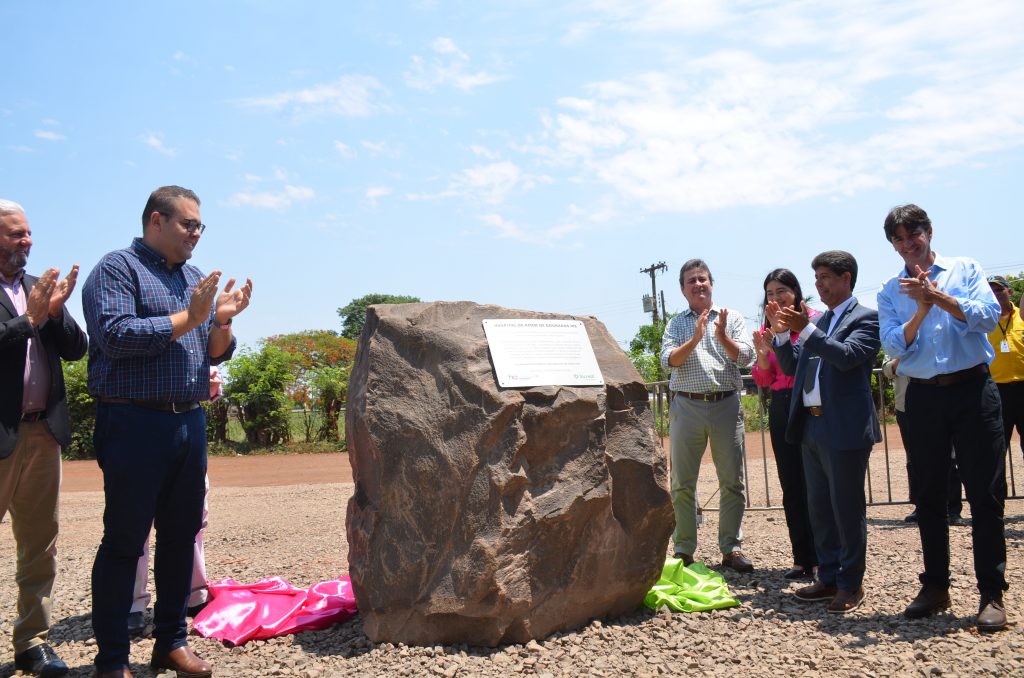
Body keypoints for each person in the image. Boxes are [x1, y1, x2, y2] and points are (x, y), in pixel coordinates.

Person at [82, 186, 252, 677]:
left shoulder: (194, 278)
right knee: (125, 541)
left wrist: (220, 321)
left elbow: (214, 351)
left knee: (181, 536)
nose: (197, 234)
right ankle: (112, 659)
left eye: (201, 227)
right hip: (133, 421)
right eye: (188, 225)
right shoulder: (117, 269)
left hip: (188, 420)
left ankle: (171, 642)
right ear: (156, 221)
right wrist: (193, 316)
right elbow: (117, 335)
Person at [877, 203, 1007, 633]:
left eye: (913, 233)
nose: (907, 242)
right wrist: (919, 311)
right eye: (898, 238)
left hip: (973, 390)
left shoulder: (965, 268)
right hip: (925, 398)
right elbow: (895, 344)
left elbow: (989, 317)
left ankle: (991, 593)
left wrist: (939, 298)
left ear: (929, 232)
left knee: (985, 495)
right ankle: (935, 587)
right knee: (929, 496)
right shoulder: (890, 290)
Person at [0, 199, 88, 677]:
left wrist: (54, 313)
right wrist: (29, 321)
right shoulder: (26, 301)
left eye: (28, 233)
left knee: (40, 545)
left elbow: (77, 349)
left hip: (42, 434)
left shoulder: (38, 289)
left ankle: (31, 642)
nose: (26, 241)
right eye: (15, 234)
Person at [769, 251, 880, 614]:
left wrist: (806, 329)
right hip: (812, 426)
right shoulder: (820, 322)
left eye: (825, 277)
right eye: (816, 278)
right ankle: (828, 576)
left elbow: (847, 356)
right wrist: (783, 335)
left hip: (844, 426)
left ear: (846, 277)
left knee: (846, 509)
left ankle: (851, 583)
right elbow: (790, 366)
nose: (818, 285)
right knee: (819, 508)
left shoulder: (866, 318)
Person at [660, 259, 755, 572]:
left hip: (726, 403)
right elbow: (668, 361)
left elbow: (745, 357)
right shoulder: (676, 324)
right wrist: (697, 337)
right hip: (687, 406)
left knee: (733, 482)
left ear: (711, 283)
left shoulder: (732, 317)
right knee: (682, 483)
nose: (698, 284)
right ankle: (684, 549)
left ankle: (731, 548)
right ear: (683, 289)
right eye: (691, 281)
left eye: (702, 279)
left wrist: (721, 335)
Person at [128, 367, 222, 637]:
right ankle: (132, 604)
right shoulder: (141, 323)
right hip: (140, 419)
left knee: (192, 517)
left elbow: (205, 364)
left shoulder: (199, 328)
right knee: (137, 521)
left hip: (186, 420)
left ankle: (193, 594)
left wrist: (212, 384)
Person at [751, 269, 818, 580]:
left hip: (812, 402)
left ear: (795, 291)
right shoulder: (767, 328)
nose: (775, 298)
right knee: (792, 484)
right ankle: (802, 558)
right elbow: (764, 379)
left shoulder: (815, 318)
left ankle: (826, 556)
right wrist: (763, 356)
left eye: (781, 291)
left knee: (818, 482)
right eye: (770, 294)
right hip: (781, 405)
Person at [882, 356, 966, 526]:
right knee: (914, 459)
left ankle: (953, 509)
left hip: (938, 403)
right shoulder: (896, 339)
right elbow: (886, 370)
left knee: (949, 457)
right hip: (904, 406)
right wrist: (898, 362)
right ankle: (921, 507)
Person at [986, 275, 1024, 461]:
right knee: (996, 449)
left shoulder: (1023, 316)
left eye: (999, 290)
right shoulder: (984, 321)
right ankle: (998, 491)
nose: (996, 294)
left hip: (1023, 387)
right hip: (997, 391)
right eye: (991, 291)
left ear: (1010, 291)